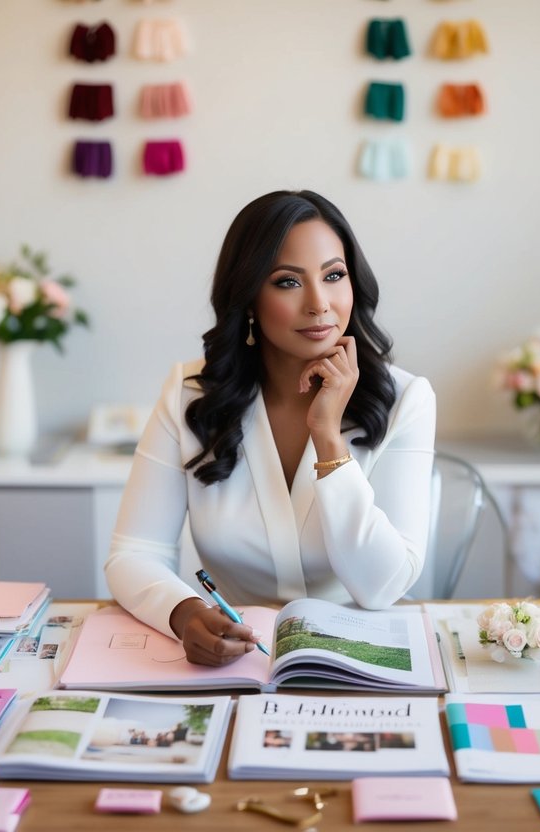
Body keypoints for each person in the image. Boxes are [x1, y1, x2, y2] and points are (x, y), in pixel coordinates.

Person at [104, 190, 436, 667]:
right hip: (235, 665)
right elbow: (133, 552)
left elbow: (383, 585)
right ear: (250, 297)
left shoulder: (406, 400)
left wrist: (328, 439)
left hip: (359, 666)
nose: (320, 304)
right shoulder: (190, 395)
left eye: (334, 275)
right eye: (287, 282)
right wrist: (184, 612)